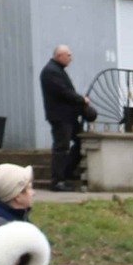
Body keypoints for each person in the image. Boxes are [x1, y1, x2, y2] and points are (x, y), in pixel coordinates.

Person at [39, 45, 92, 193]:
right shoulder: (51, 71)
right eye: (68, 55)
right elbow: (64, 92)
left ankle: (67, 172)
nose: (71, 58)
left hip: (68, 116)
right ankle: (57, 181)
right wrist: (82, 100)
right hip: (60, 116)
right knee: (61, 148)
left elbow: (66, 91)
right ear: (59, 56)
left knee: (80, 141)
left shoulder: (57, 70)